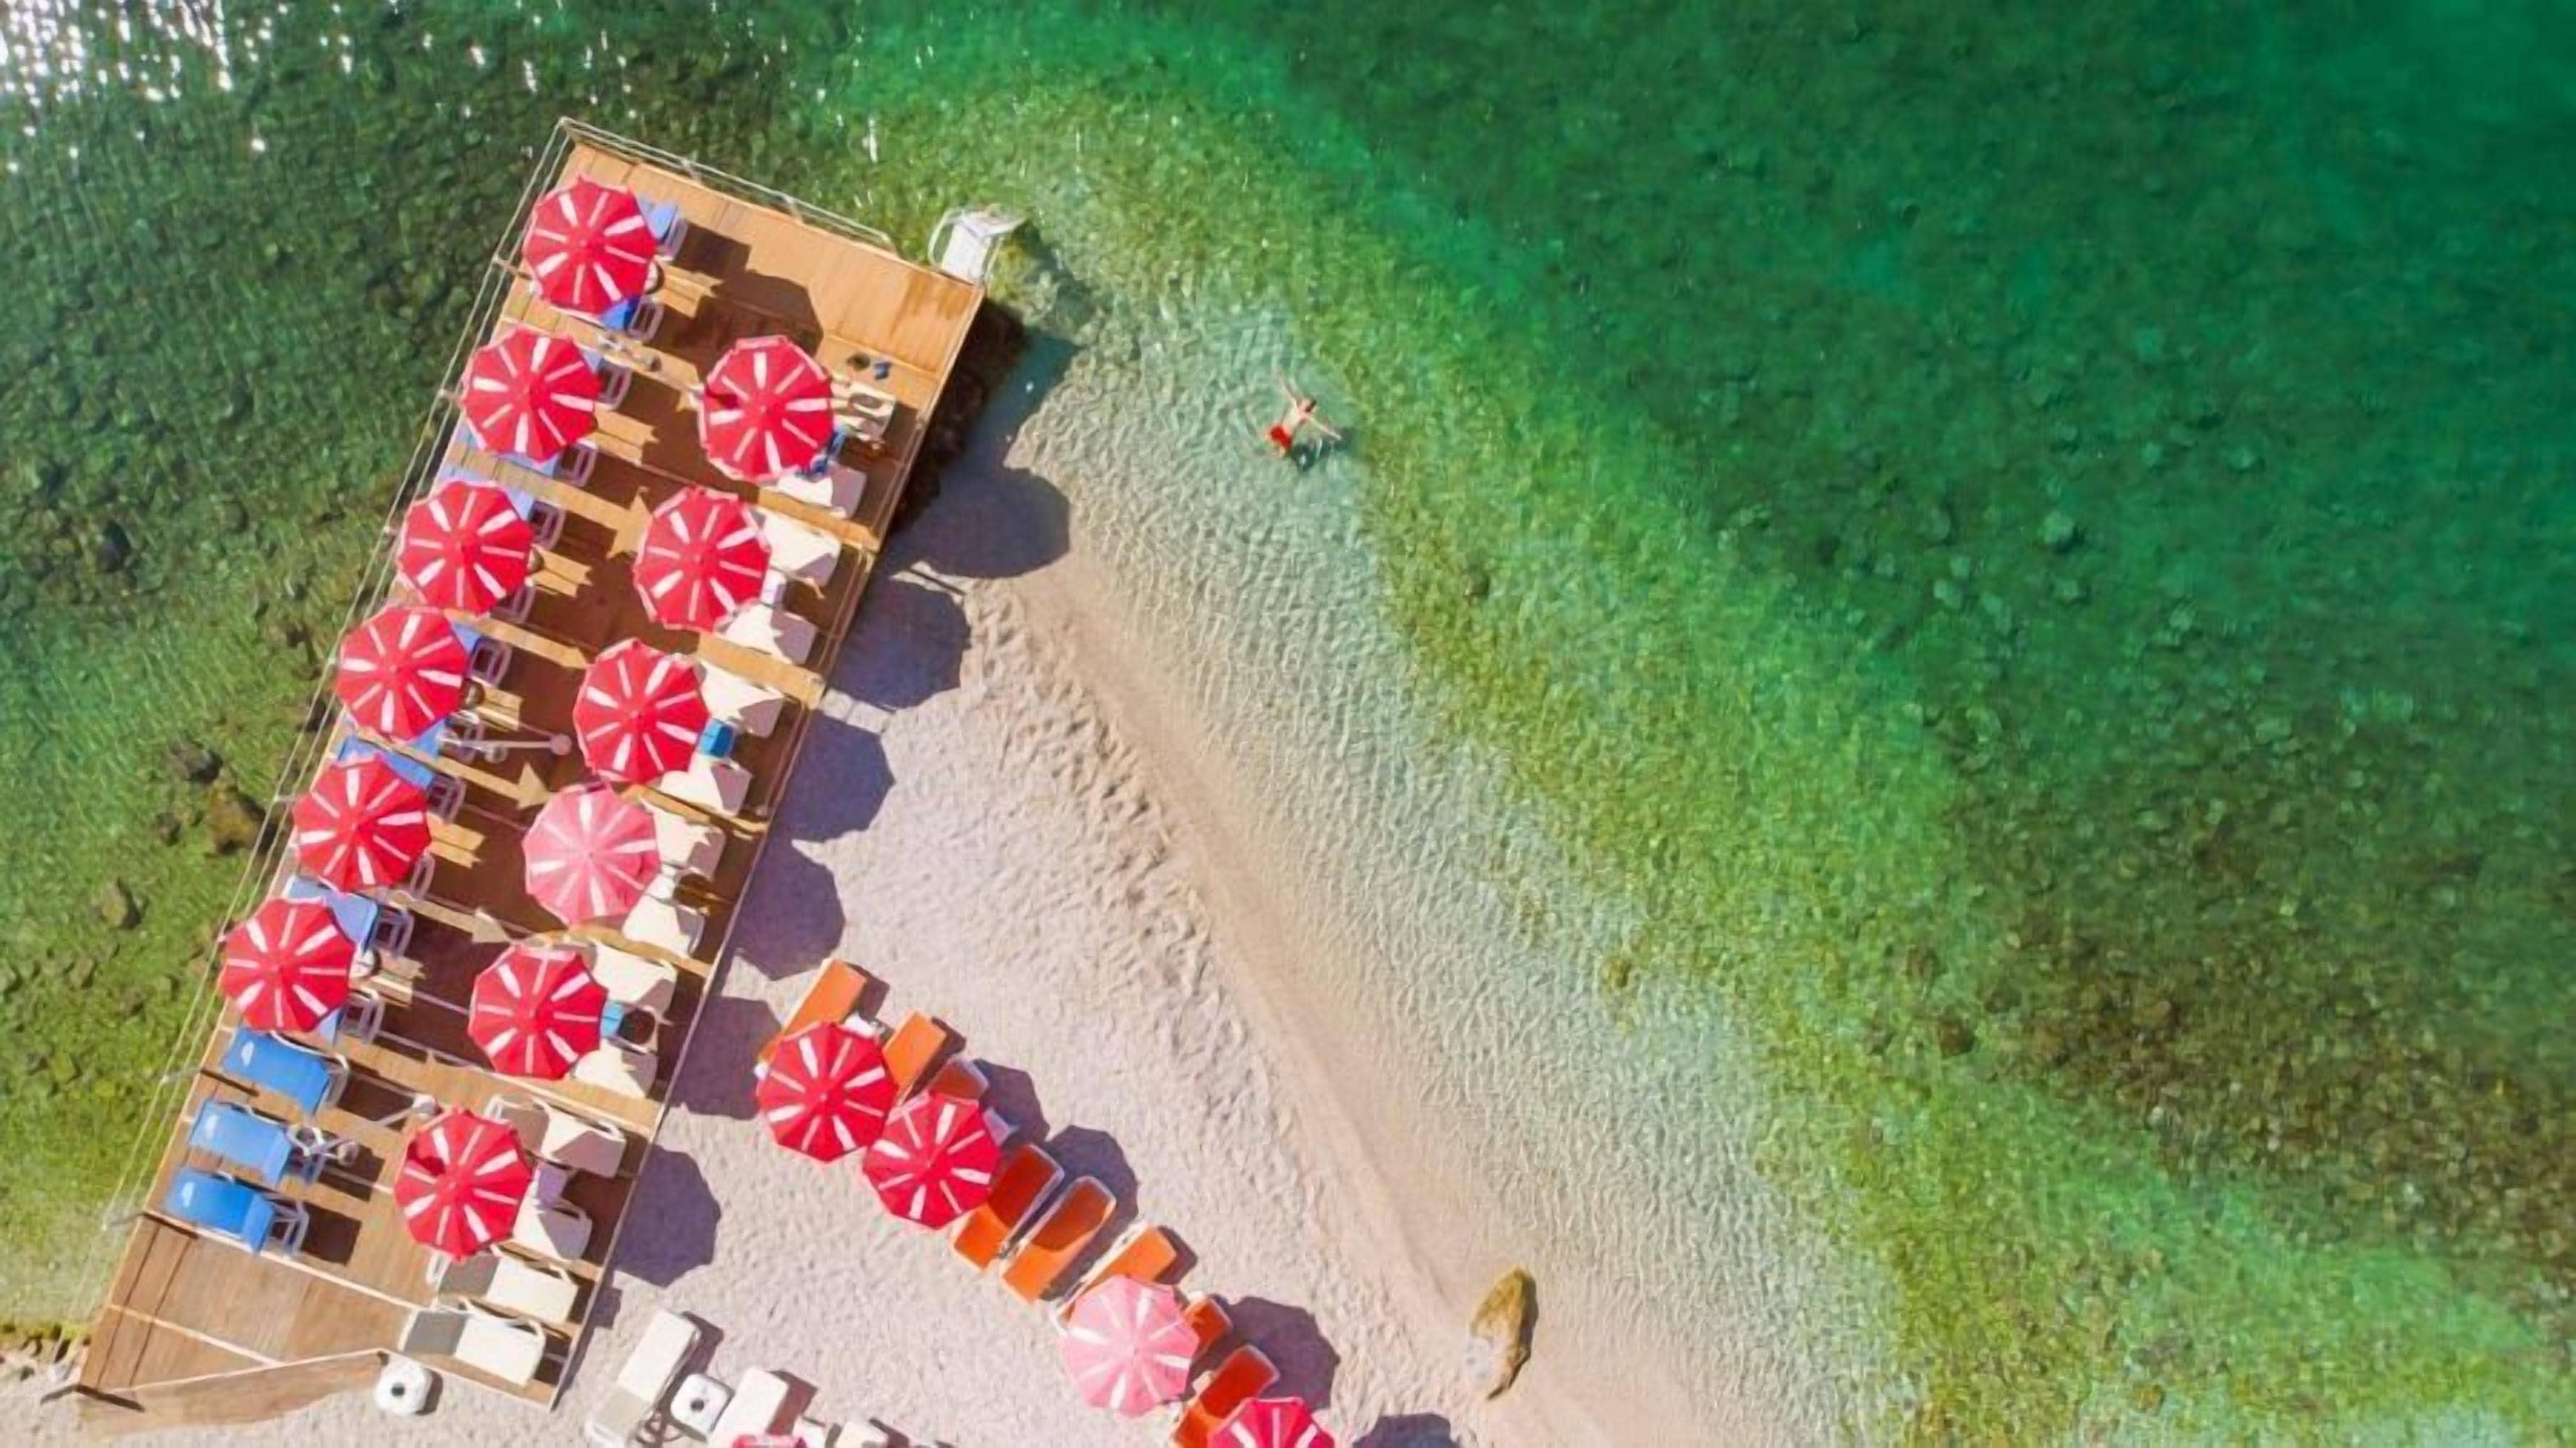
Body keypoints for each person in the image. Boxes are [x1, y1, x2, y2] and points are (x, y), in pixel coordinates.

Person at [1265, 371, 1343, 457]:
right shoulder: (1295, 404)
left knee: (1281, 456)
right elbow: (1287, 392)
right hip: (1280, 429)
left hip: (1287, 437)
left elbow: (1320, 426)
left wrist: (1335, 435)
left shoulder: (1306, 416)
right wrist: (1280, 379)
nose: (1303, 402)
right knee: (1265, 438)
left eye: (1306, 403)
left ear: (1307, 407)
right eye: (1304, 401)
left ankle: (1267, 455)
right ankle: (1262, 453)